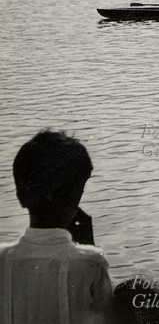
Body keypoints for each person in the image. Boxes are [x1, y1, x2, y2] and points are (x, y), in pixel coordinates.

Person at [1, 130, 113, 322]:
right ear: (72, 197)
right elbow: (107, 317)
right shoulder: (91, 264)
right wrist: (88, 246)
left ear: (20, 195)